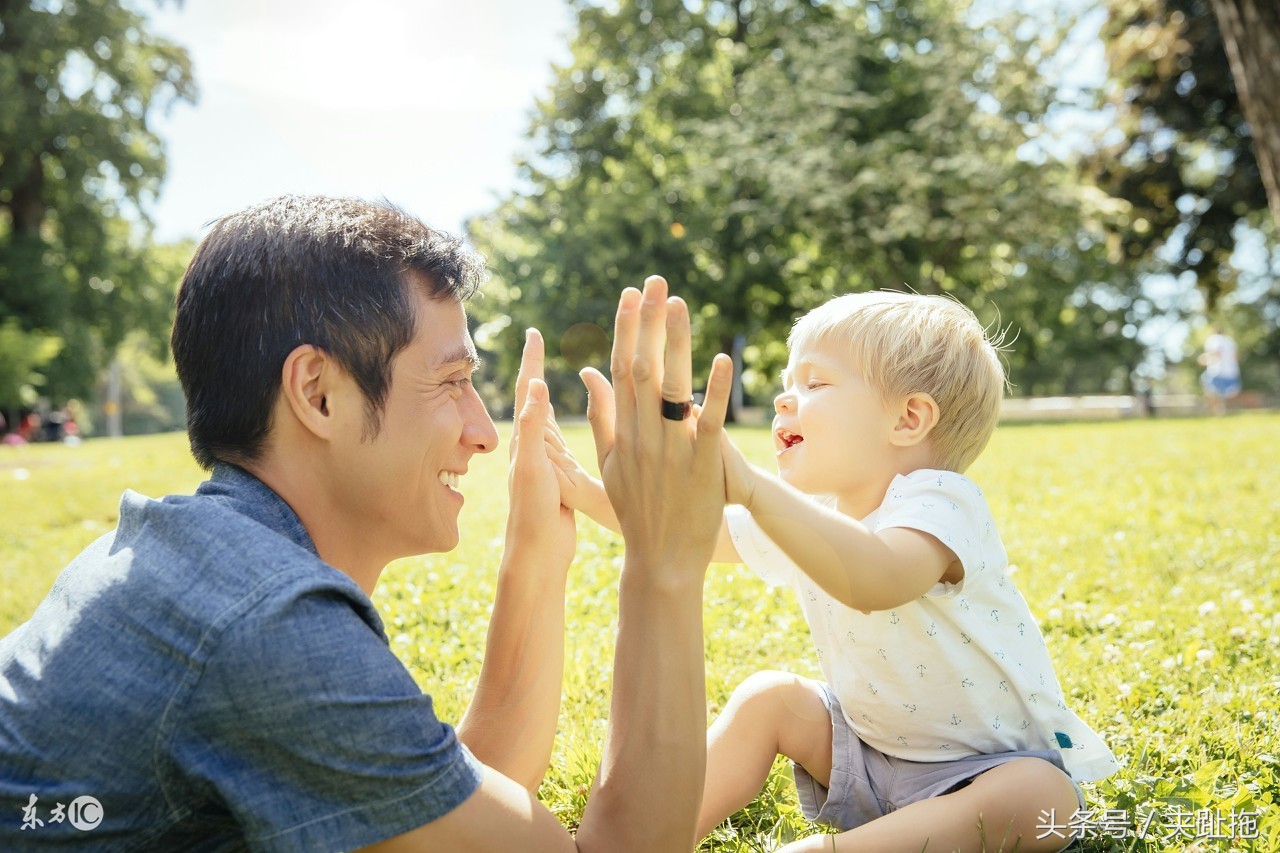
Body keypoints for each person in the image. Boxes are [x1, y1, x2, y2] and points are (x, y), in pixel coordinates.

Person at [0, 195, 734, 851]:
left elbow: (442, 822)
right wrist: (662, 557)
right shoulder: (273, 630)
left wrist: (536, 554)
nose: (484, 432)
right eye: (451, 381)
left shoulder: (192, 560)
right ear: (318, 393)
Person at [554, 291, 1119, 852]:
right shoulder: (815, 513)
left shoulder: (945, 502)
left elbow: (878, 577)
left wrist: (753, 489)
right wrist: (585, 490)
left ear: (908, 418)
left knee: (1043, 797)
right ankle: (648, 838)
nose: (783, 399)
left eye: (815, 383)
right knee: (770, 698)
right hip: (868, 756)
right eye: (787, 381)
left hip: (981, 775)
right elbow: (685, 532)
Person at [1198, 324, 1240, 416]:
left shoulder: (1213, 339)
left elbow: (1217, 353)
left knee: (1209, 388)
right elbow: (1236, 357)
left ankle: (1214, 410)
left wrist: (1204, 360)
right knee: (1224, 393)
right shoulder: (1230, 341)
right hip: (1231, 371)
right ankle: (1221, 409)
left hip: (1217, 370)